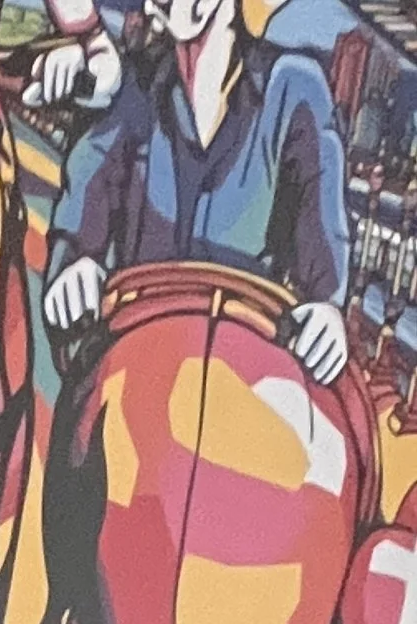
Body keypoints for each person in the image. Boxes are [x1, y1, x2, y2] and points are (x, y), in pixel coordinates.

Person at [40, 0, 350, 382]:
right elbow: (88, 194)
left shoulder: (294, 88)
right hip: (136, 361)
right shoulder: (132, 87)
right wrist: (74, 267)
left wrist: (326, 312)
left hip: (242, 376)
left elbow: (321, 233)